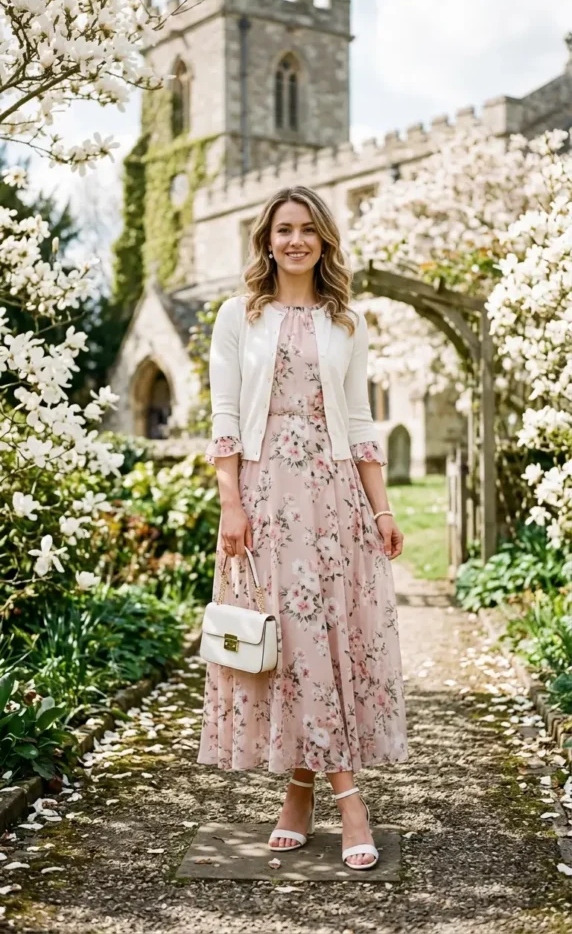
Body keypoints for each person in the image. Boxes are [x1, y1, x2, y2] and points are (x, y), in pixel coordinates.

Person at [197, 185, 409, 871]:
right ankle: (348, 802)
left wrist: (380, 508)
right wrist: (232, 502)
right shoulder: (238, 315)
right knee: (288, 644)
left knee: (326, 642)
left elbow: (357, 420)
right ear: (265, 240)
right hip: (264, 498)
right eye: (283, 229)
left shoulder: (345, 321)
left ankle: (300, 793)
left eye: (308, 230)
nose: (295, 241)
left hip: (333, 498)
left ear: (323, 241)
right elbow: (224, 414)